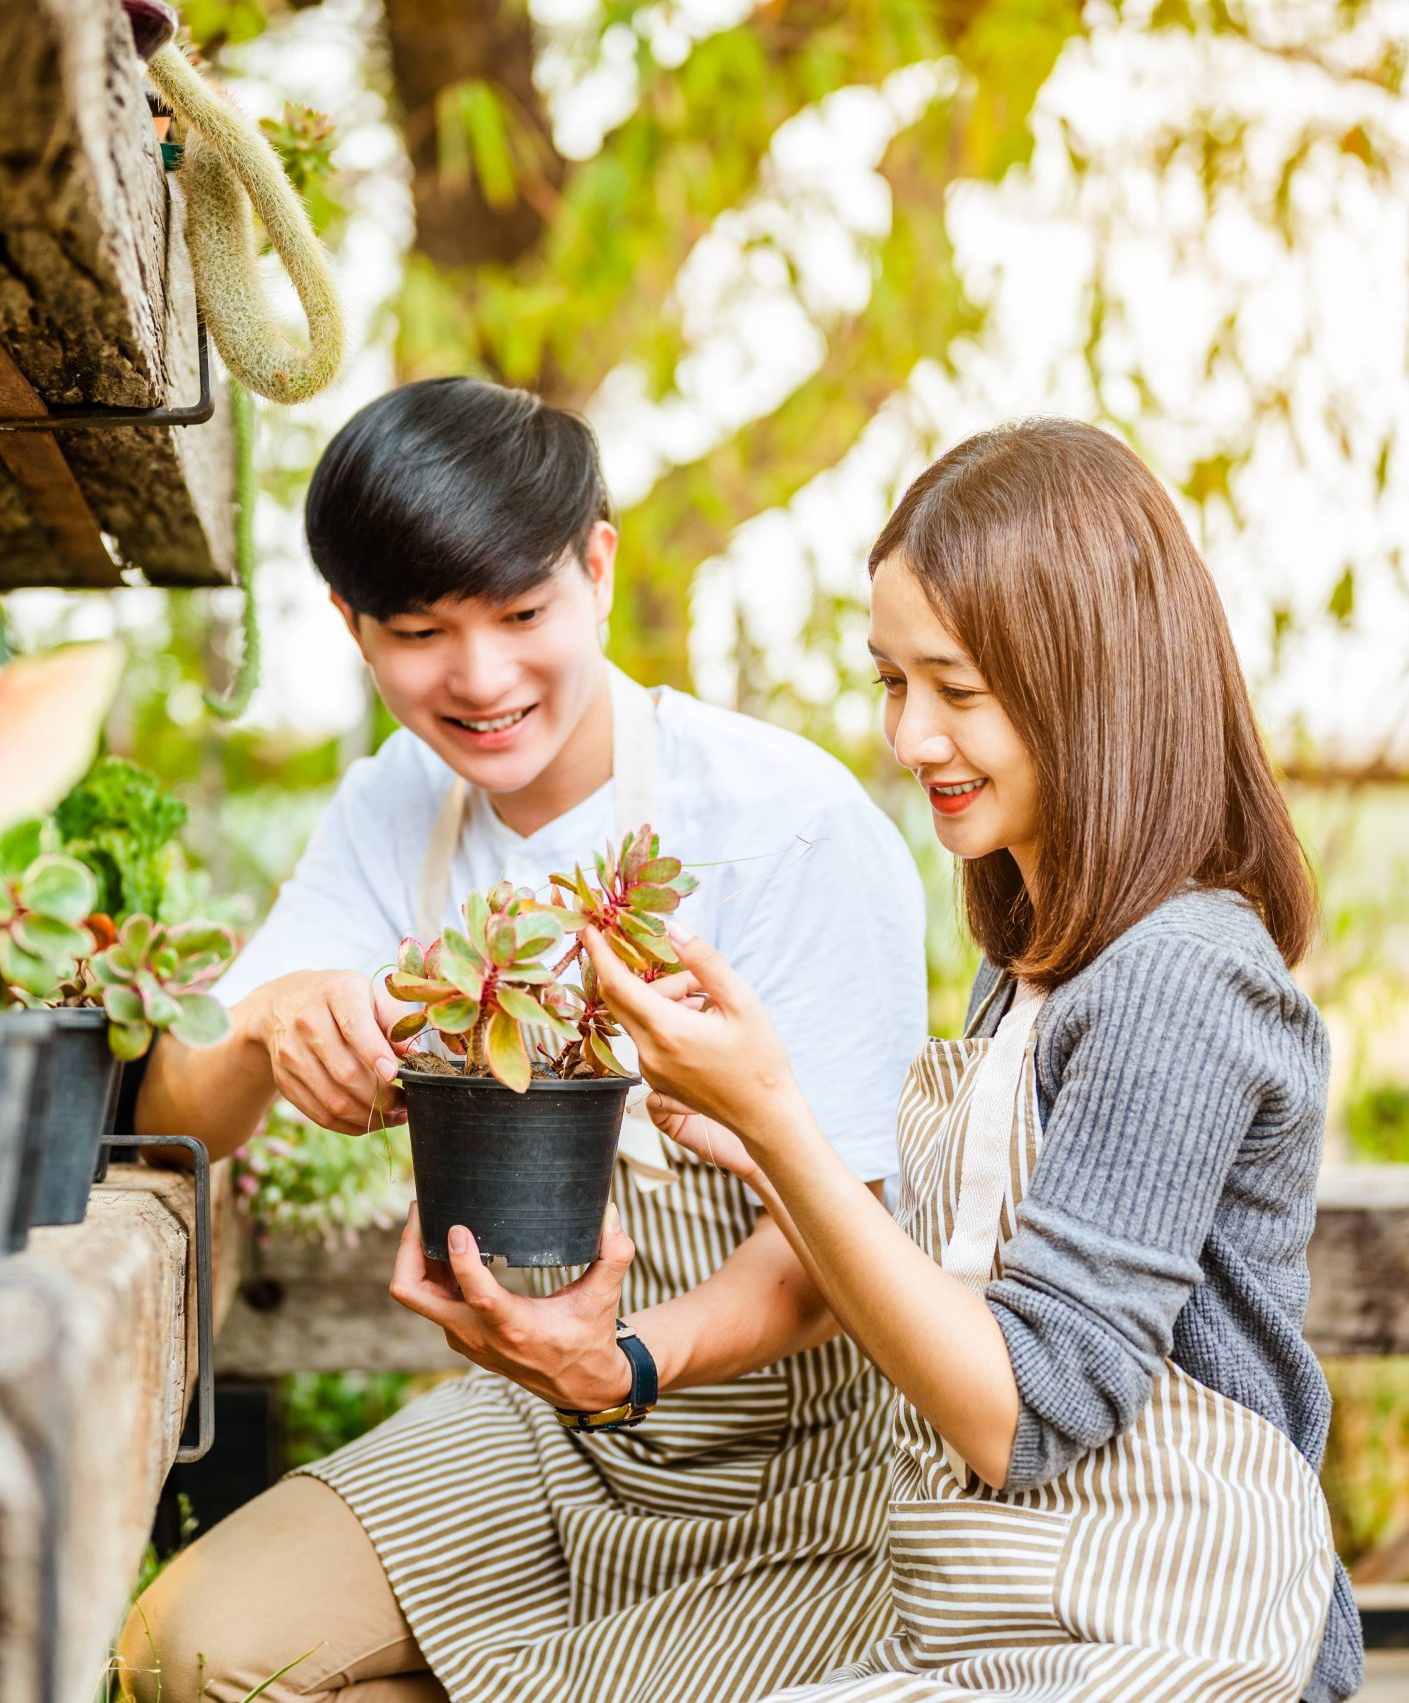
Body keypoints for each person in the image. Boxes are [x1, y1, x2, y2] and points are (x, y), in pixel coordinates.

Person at [117, 377, 930, 1703]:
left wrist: (625, 1356)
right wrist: (265, 1020)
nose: (481, 677)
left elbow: (840, 1249)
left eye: (524, 612)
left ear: (598, 563)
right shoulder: (394, 805)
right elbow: (185, 1114)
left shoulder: (784, 823)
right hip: (543, 1428)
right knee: (189, 1651)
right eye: (421, 630)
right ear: (351, 625)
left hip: (800, 1450)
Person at [589, 418, 1363, 1703]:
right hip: (1012, 1618)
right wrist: (763, 1149)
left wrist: (778, 1120)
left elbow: (1031, 1406)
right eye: (892, 680)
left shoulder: (1175, 974)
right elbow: (977, 1279)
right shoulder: (1036, 964)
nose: (910, 736)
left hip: (1178, 1640)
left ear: (1092, 684)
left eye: (958, 688)